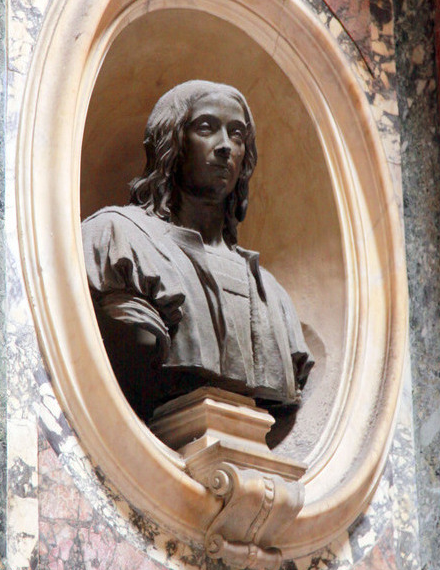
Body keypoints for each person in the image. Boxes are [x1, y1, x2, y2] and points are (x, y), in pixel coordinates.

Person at [82, 80, 313, 421]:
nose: (225, 147)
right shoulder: (118, 238)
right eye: (206, 128)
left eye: (237, 135)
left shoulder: (273, 296)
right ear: (171, 142)